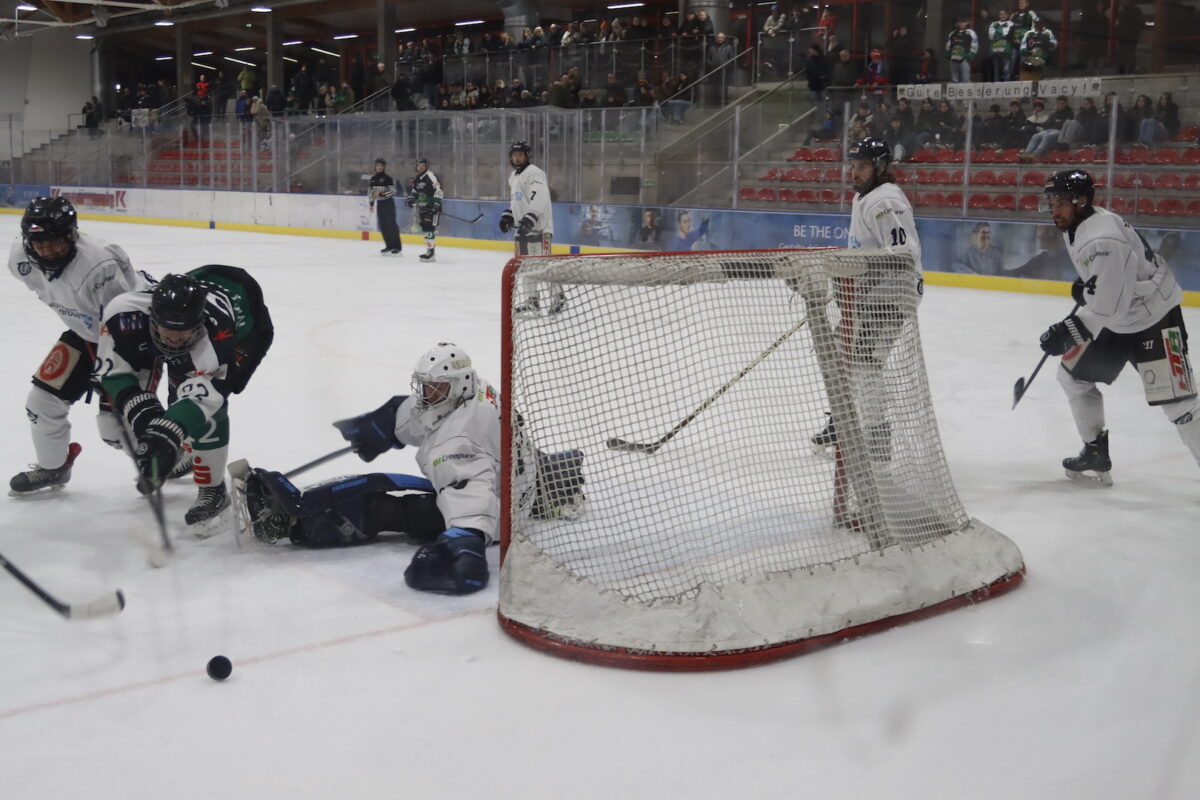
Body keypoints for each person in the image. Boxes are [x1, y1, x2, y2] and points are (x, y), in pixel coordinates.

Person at [237, 344, 509, 595]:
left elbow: (470, 507)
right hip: (510, 474)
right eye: (425, 387)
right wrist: (388, 422)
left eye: (434, 389)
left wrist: (462, 551)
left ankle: (297, 524)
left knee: (386, 509)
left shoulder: (457, 444)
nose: (427, 395)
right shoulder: (472, 391)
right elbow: (429, 413)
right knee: (384, 485)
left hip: (497, 508)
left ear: (459, 384)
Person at [1037, 170, 1200, 485]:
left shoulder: (1102, 239)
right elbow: (1109, 288)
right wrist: (1088, 288)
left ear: (1081, 201)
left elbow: (1107, 305)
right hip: (1119, 320)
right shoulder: (1082, 223)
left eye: (1059, 202)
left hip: (1156, 318)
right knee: (1073, 377)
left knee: (1181, 405)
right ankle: (1095, 451)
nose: (1053, 209)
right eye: (1051, 201)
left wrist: (1065, 332)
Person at [97, 268, 274, 530]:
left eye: (184, 331)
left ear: (198, 322)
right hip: (206, 279)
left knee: (210, 404)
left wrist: (168, 430)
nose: (174, 338)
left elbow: (207, 396)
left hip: (249, 327)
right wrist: (143, 413)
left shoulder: (214, 335)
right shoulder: (123, 312)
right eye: (167, 329)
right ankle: (184, 450)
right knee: (173, 405)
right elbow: (111, 369)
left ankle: (213, 491)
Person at [7, 197, 157, 495]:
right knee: (42, 403)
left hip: (133, 334)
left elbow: (122, 320)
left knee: (116, 429)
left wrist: (107, 372)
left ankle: (170, 456)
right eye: (40, 244)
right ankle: (54, 466)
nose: (47, 252)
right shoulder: (20, 260)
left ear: (71, 235)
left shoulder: (100, 264)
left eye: (54, 243)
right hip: (86, 332)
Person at [808, 138, 922, 456]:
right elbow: (863, 249)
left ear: (881, 168)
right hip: (869, 293)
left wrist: (860, 277)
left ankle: (877, 437)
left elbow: (903, 253)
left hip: (892, 293)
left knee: (864, 363)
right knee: (838, 353)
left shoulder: (885, 201)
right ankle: (841, 421)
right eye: (852, 166)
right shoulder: (863, 196)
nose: (854, 172)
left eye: (862, 166)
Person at [499, 141, 561, 314]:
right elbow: (518, 201)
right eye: (514, 155)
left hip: (539, 229)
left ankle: (558, 298)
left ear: (527, 156)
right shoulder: (514, 177)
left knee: (543, 266)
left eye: (520, 154)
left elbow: (539, 197)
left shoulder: (535, 173)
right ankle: (532, 301)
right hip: (523, 230)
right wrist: (509, 215)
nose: (517, 158)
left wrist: (531, 216)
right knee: (524, 266)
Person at [405, 157, 443, 262]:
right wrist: (411, 198)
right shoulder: (417, 178)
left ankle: (431, 252)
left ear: (426, 166)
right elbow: (415, 191)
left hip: (432, 207)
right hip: (422, 208)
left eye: (423, 165)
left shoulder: (431, 176)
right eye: (419, 165)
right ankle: (430, 251)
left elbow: (439, 190)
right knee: (425, 229)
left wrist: (436, 205)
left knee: (429, 228)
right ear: (416, 167)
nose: (421, 167)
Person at [368, 158, 402, 255]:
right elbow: (371, 192)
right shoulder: (373, 179)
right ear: (375, 167)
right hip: (380, 205)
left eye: (381, 166)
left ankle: (397, 247)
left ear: (384, 167)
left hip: (388, 204)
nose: (379, 167)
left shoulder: (388, 178)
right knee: (383, 226)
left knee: (392, 225)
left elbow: (393, 191)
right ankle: (389, 246)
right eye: (378, 165)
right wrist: (371, 204)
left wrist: (381, 195)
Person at [944, 15, 978, 84]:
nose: (962, 24)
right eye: (960, 22)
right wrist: (948, 53)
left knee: (965, 78)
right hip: (953, 57)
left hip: (964, 57)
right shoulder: (953, 33)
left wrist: (970, 54)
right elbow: (948, 44)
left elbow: (974, 44)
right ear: (957, 23)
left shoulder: (971, 33)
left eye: (964, 22)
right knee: (954, 79)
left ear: (967, 23)